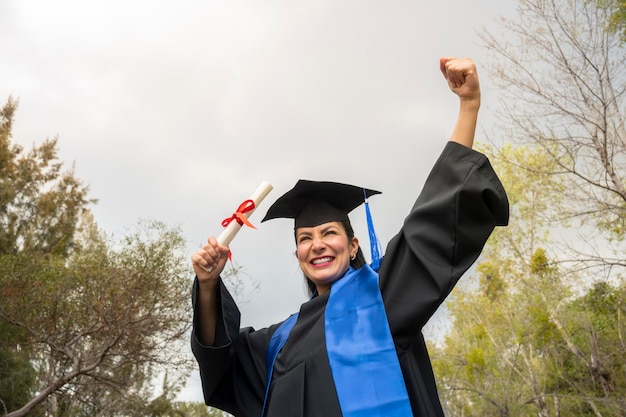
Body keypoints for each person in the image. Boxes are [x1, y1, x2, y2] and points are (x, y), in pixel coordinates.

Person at [191, 57, 509, 417]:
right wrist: (207, 284)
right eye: (306, 238)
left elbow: (433, 221)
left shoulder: (382, 296)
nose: (318, 244)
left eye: (329, 233)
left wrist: (468, 106)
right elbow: (223, 366)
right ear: (298, 253)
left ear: (353, 244)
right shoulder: (277, 342)